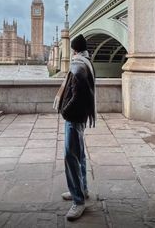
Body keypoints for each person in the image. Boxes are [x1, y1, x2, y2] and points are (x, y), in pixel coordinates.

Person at [54, 34, 95, 221]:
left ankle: (78, 201)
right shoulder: (86, 61)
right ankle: (83, 189)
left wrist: (65, 110)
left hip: (74, 117)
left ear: (74, 50)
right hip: (81, 117)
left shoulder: (78, 65)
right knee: (80, 155)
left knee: (70, 157)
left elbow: (78, 95)